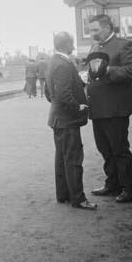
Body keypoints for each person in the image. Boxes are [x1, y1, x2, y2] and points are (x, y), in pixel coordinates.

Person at [86, 14, 132, 203]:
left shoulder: (125, 45)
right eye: (90, 30)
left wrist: (109, 70)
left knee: (119, 149)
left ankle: (129, 189)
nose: (92, 34)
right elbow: (93, 73)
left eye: (95, 30)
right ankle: (112, 184)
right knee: (105, 149)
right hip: (98, 108)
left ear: (107, 27)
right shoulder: (95, 47)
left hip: (116, 108)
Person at [44, 32, 96, 210]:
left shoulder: (52, 62)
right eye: (72, 44)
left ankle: (63, 195)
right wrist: (78, 106)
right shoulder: (64, 64)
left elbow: (48, 92)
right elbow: (63, 94)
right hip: (67, 121)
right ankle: (79, 199)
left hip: (57, 119)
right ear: (66, 45)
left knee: (61, 159)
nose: (73, 47)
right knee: (73, 159)